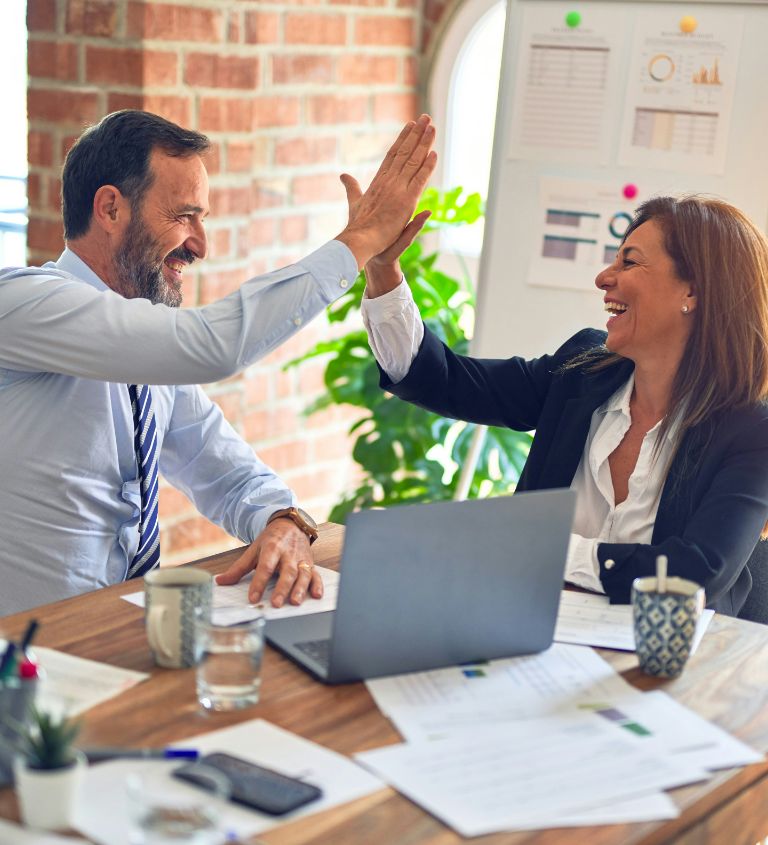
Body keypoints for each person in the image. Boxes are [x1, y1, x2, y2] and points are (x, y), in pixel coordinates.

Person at [0, 109, 436, 615]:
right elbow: (213, 345)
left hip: (119, 629)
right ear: (111, 209)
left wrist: (282, 520)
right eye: (183, 216)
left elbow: (225, 471)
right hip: (24, 646)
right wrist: (359, 240)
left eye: (202, 219)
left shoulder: (148, 350)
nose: (200, 245)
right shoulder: (23, 304)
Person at [361, 195, 768, 616]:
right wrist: (381, 267)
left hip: (669, 650)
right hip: (535, 630)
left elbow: (696, 573)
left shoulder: (753, 431)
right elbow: (444, 380)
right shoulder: (581, 371)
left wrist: (547, 550)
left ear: (693, 290)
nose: (603, 278)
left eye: (629, 262)